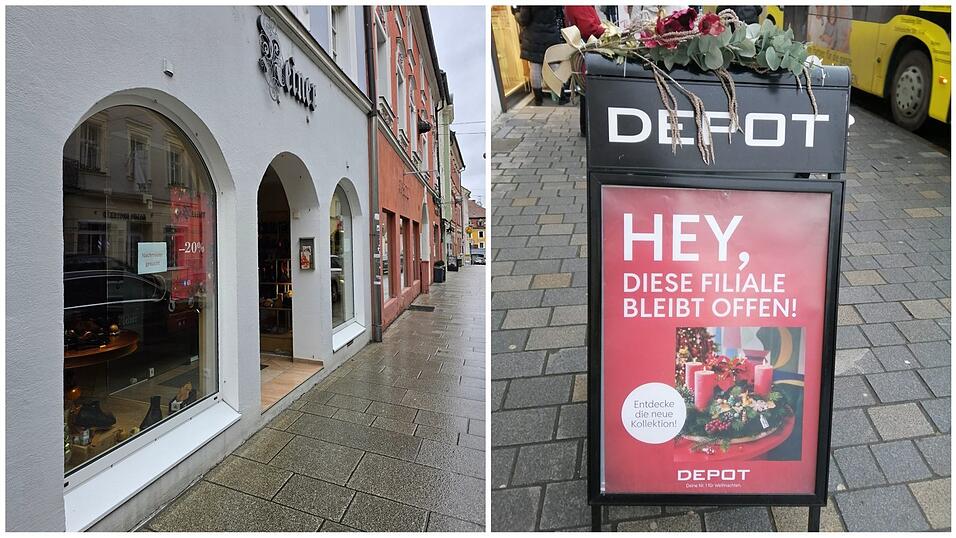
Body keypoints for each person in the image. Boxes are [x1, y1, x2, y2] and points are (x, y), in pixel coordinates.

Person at [513, 6, 564, 105]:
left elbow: (524, 20)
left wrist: (515, 13)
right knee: (554, 65)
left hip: (533, 37)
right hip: (551, 35)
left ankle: (538, 99)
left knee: (535, 67)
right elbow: (559, 13)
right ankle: (561, 96)